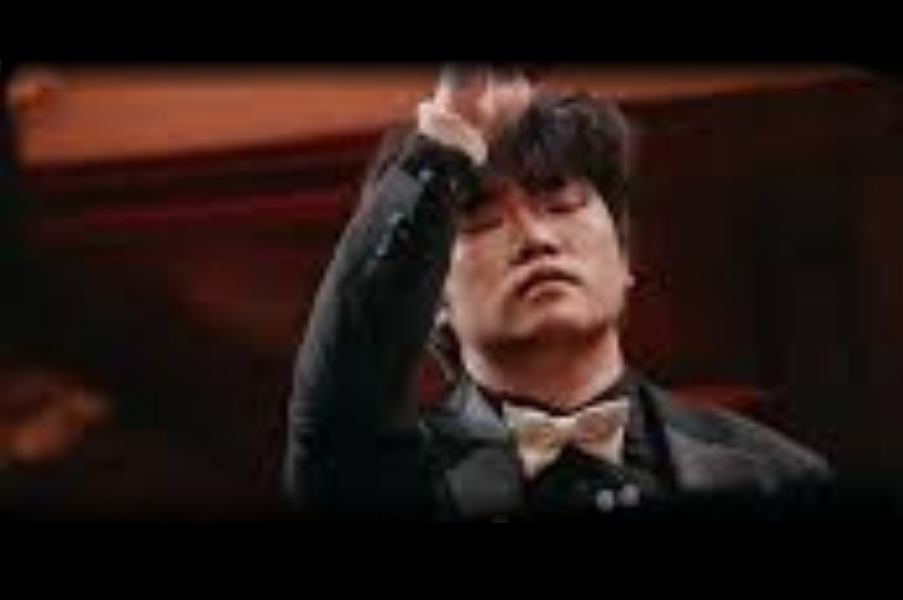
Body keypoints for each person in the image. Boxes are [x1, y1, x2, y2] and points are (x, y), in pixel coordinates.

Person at [285, 66, 829, 519]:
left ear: (624, 259)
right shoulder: (382, 477)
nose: (535, 238)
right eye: (482, 220)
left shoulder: (781, 475)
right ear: (433, 302)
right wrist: (448, 137)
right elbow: (338, 397)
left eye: (561, 204)